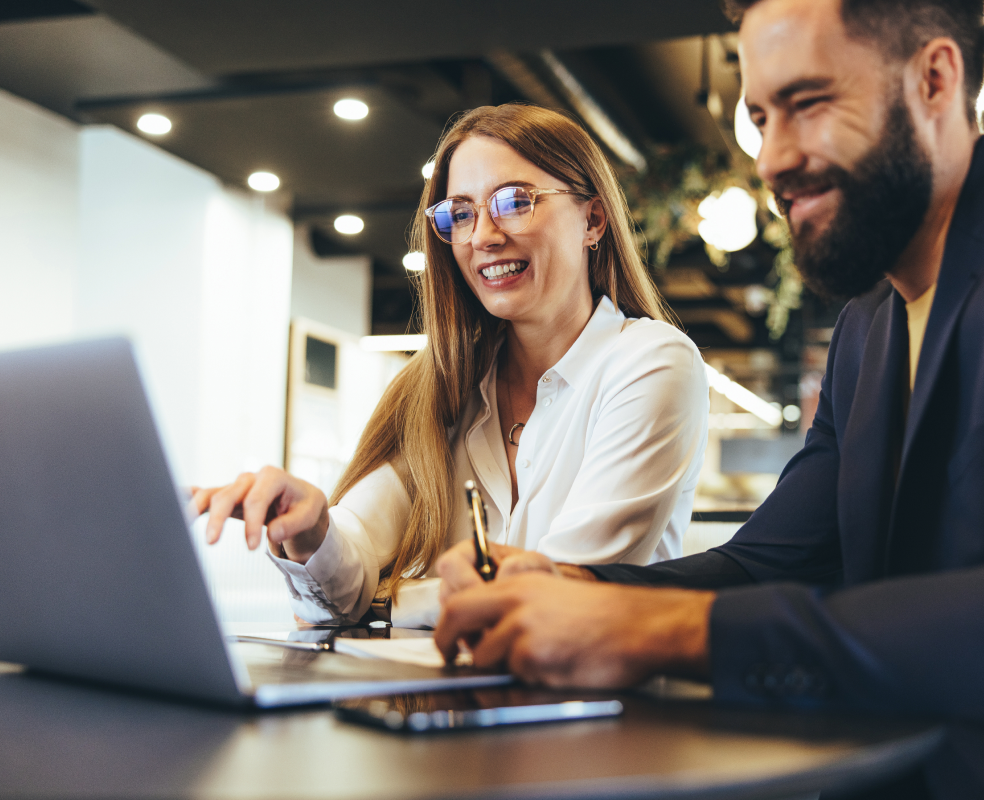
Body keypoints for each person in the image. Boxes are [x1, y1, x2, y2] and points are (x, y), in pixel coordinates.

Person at [433, 1, 984, 798]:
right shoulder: (869, 321)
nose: (771, 158)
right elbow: (768, 564)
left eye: (807, 104)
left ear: (934, 79)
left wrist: (657, 629)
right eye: (761, 116)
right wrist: (575, 587)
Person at [191, 104, 709, 629]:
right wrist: (312, 530)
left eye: (514, 201)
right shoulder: (444, 388)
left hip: (606, 706)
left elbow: (562, 591)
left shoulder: (652, 362)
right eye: (460, 214)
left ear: (592, 219)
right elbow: (349, 566)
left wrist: (387, 603)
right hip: (459, 706)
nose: (483, 235)